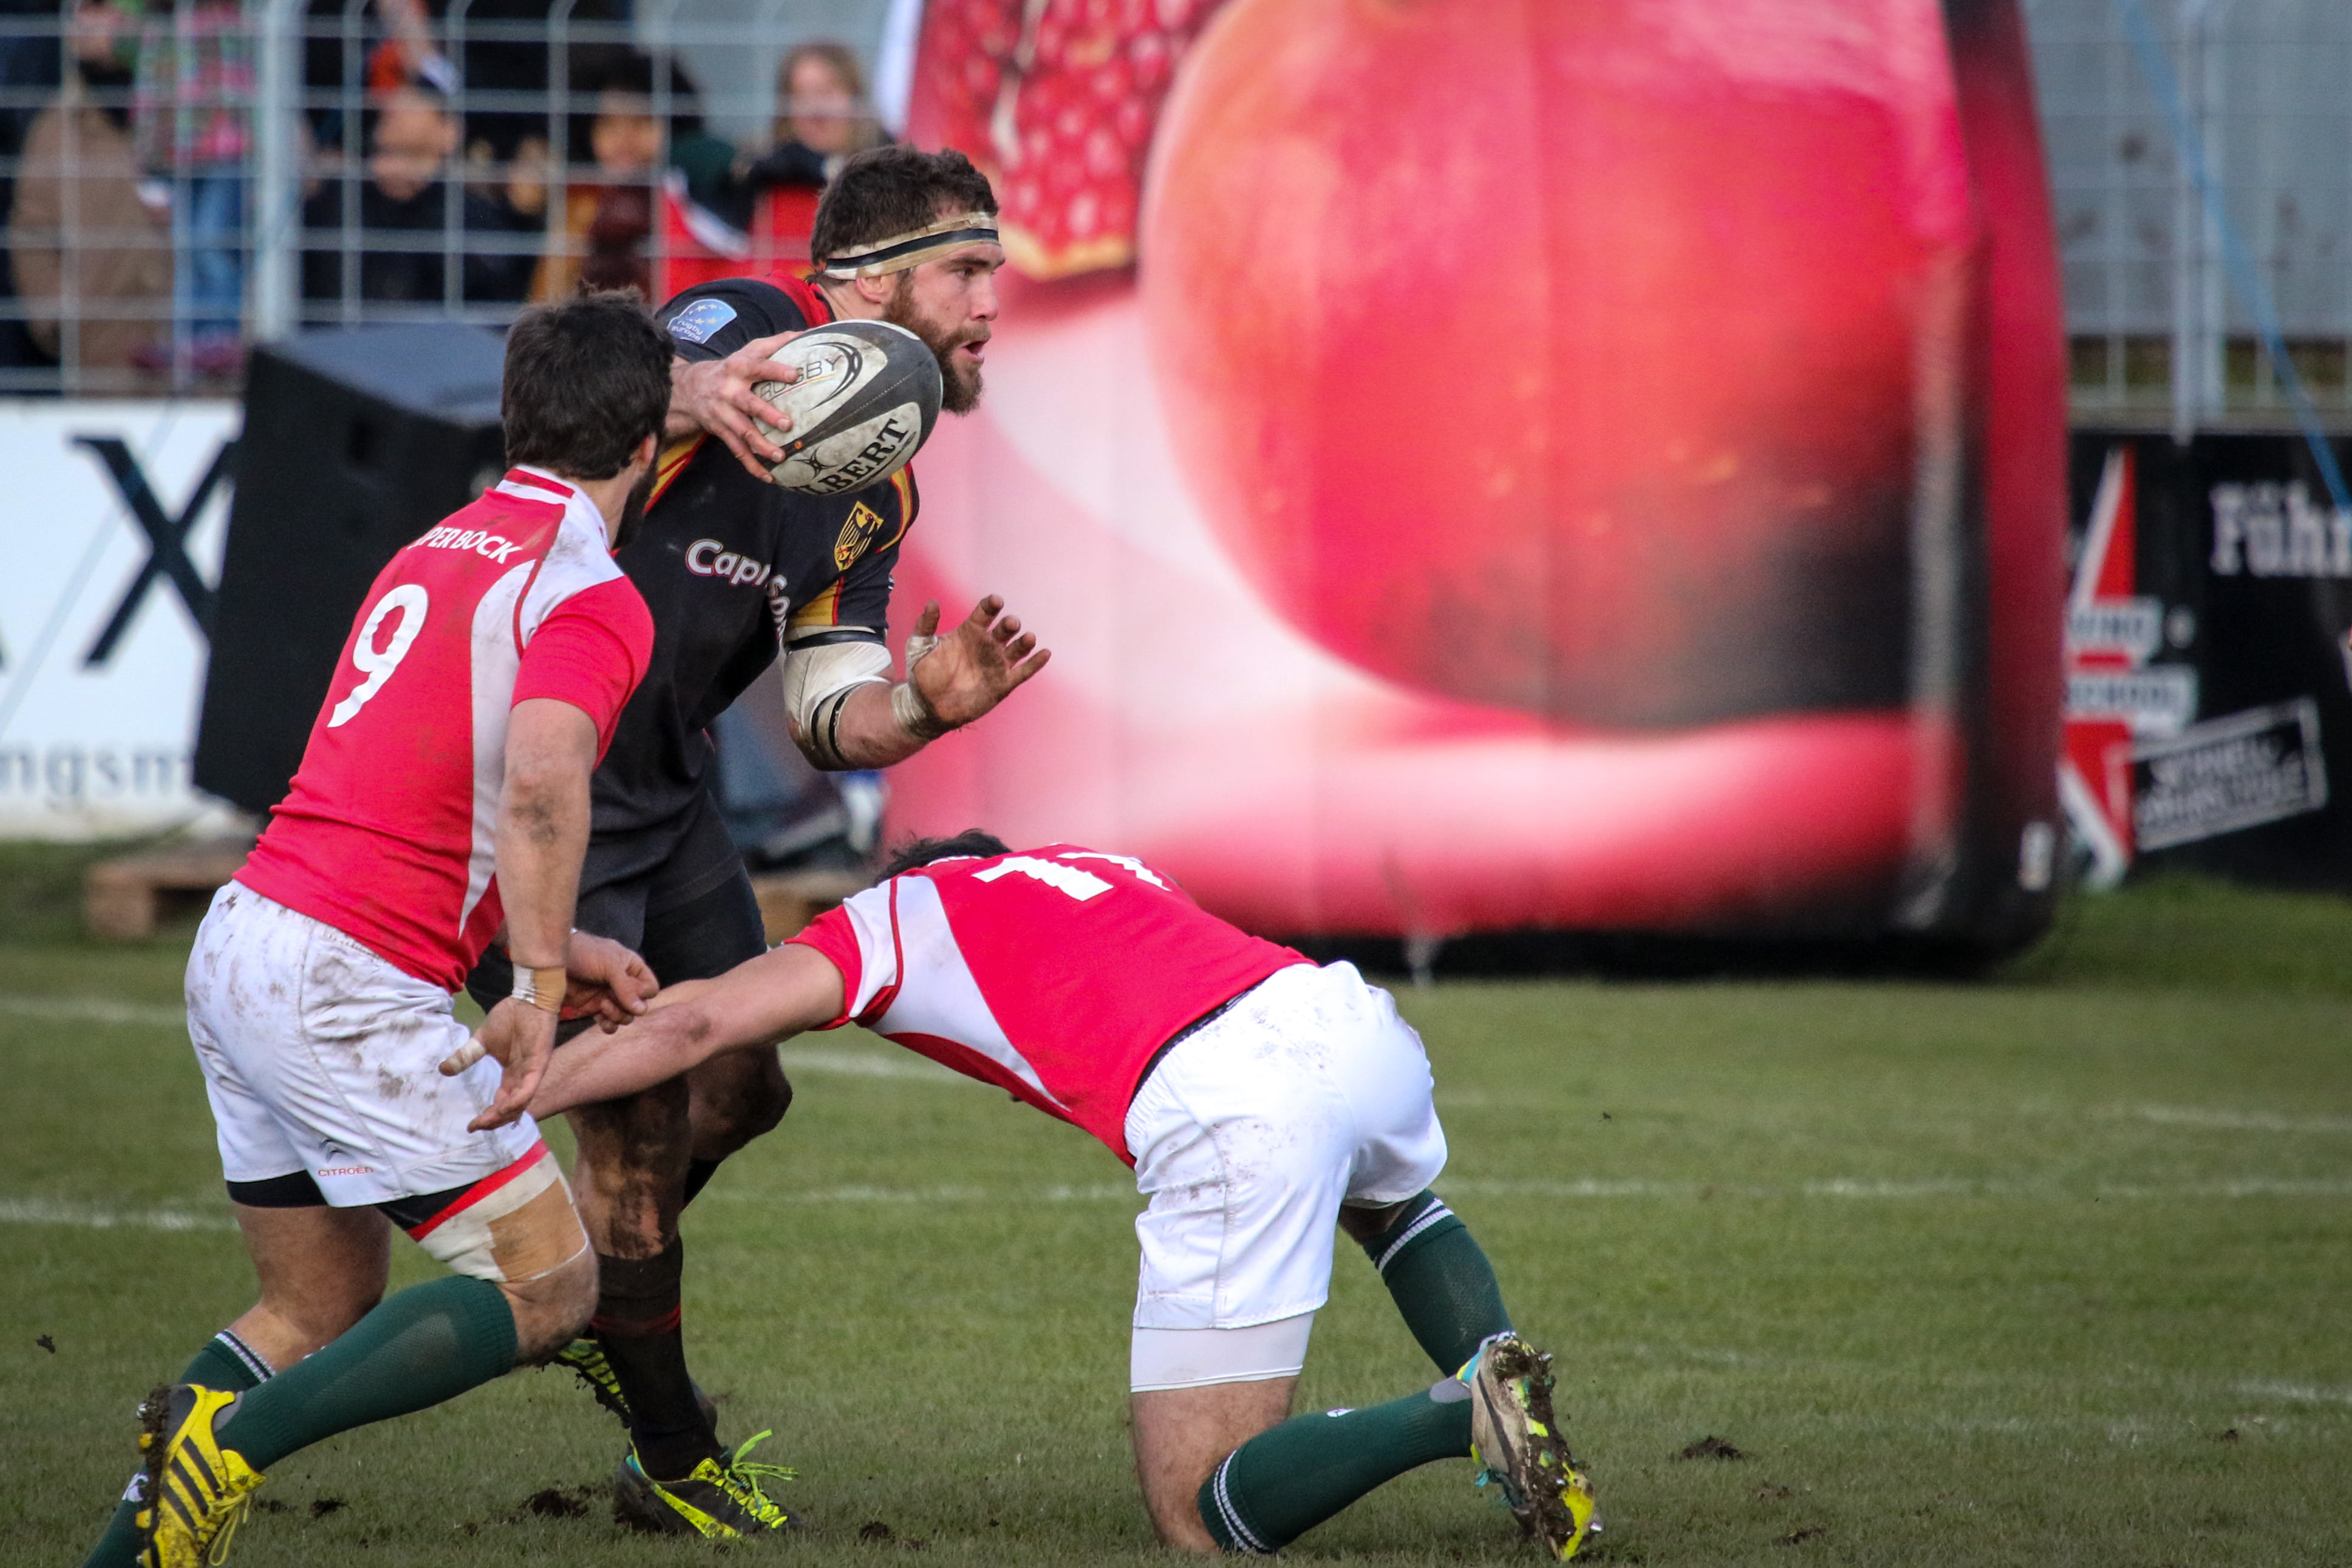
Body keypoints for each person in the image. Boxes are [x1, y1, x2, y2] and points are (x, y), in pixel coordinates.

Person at [468, 832, 1606, 1561]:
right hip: (1342, 1017)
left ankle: (1457, 1412)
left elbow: (698, 1022)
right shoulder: (1097, 862)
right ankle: (1506, 1377)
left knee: (1198, 1513)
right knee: (1395, 1207)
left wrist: (519, 1090)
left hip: (1233, 1099)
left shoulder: (896, 911)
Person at [460, 143, 1047, 1539]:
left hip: (669, 801)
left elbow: (826, 705)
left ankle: (586, 1276)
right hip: (544, 784)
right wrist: (691, 389)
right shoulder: (756, 325)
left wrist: (923, 705)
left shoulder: (877, 477)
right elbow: (592, 395)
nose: (989, 304)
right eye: (966, 270)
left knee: (743, 1086)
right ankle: (670, 1452)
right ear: (867, 282)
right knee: (641, 1135)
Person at [78, 291, 672, 1568]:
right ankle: (228, 1448)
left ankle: (134, 1544)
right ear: (647, 443)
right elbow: (540, 780)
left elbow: (418, 795)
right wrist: (537, 977)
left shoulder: (434, 543)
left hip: (247, 933)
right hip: (338, 976)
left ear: (513, 418)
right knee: (548, 1285)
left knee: (318, 1300)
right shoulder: (589, 587)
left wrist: (548, 947)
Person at [9, 0, 172, 383]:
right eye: (78, 10)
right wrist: (61, 317)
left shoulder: (204, 109)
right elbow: (31, 237)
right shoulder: (57, 128)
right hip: (103, 368)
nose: (83, 21)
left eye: (99, 7)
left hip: (205, 373)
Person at [300, 83, 537, 319]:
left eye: (417, 97)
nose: (396, 103)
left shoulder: (472, 220)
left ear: (449, 133)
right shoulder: (338, 200)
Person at [745, 41, 887, 192]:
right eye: (801, 96)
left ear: (854, 96)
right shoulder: (765, 181)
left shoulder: (889, 171)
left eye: (826, 93)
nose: (815, 110)